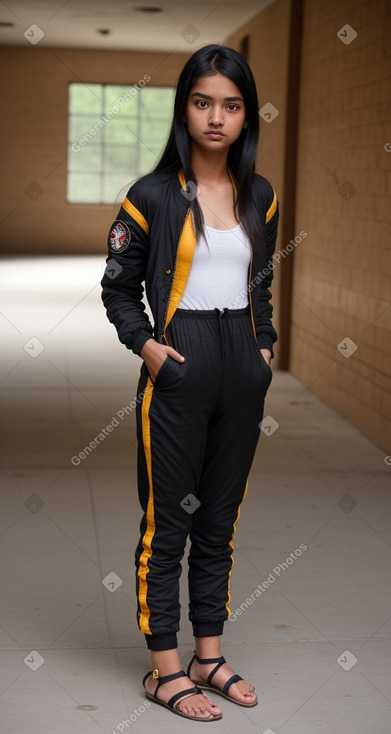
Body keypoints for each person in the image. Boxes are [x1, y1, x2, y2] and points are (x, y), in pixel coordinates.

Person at [101, 43, 279, 722]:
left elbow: (259, 284)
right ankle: (164, 669)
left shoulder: (258, 193)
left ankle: (208, 655)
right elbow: (117, 288)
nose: (216, 117)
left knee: (219, 520)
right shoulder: (149, 196)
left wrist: (262, 347)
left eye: (230, 105)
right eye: (202, 102)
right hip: (179, 361)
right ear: (184, 109)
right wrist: (146, 347)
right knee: (168, 522)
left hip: (240, 363)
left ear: (244, 115)